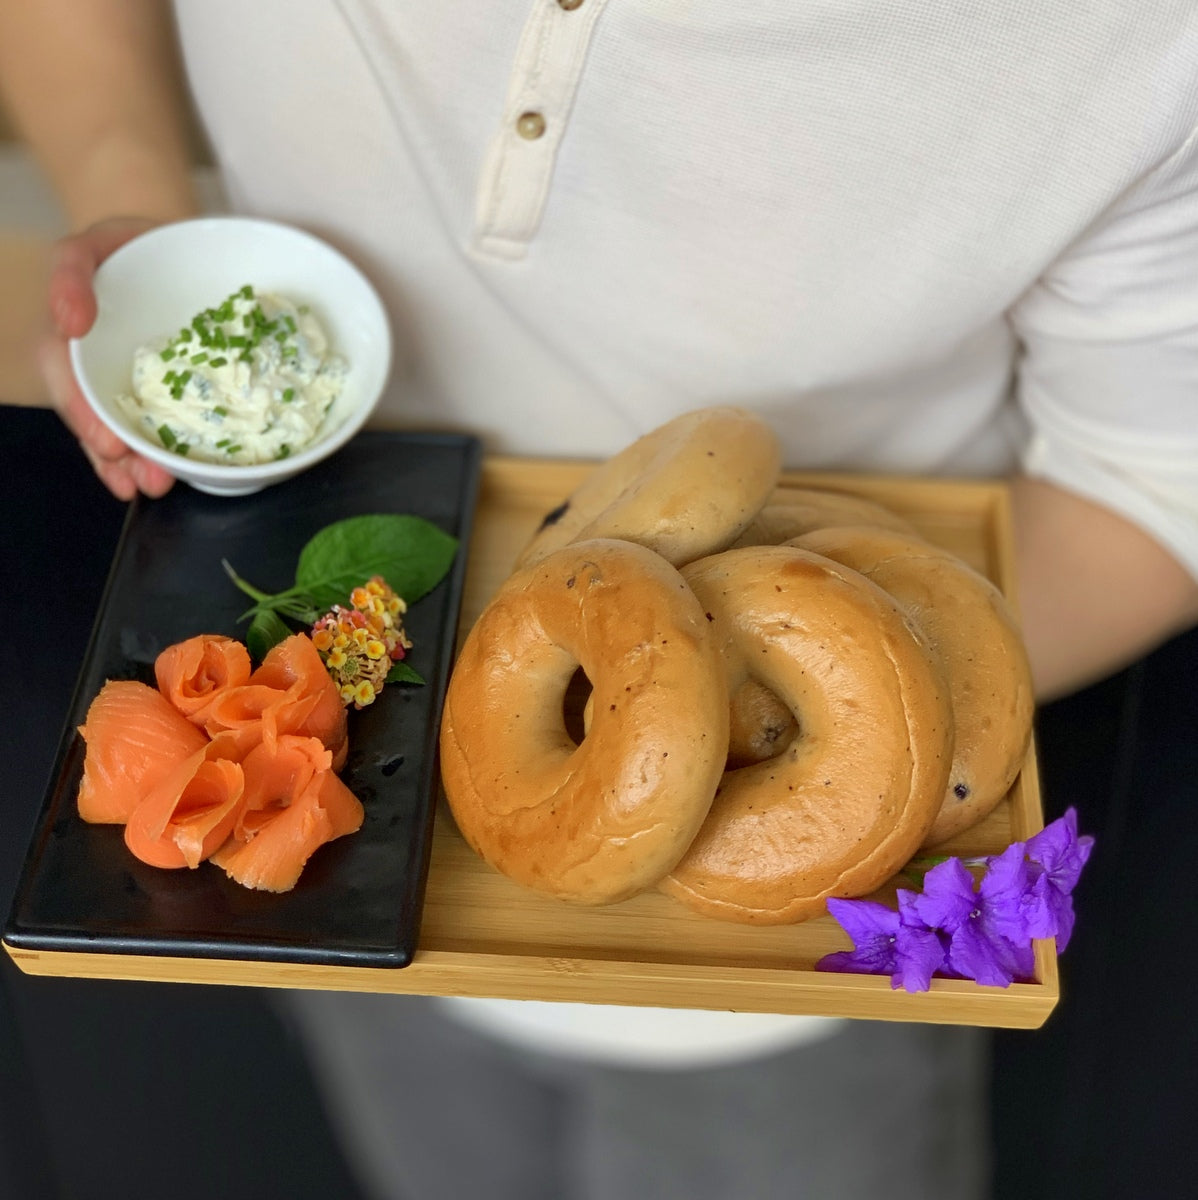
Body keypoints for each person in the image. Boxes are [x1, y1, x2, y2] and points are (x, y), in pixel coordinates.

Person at [3, 2, 1197, 1197]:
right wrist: (142, 221)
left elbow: (1152, 486)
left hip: (794, 983)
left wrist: (853, 739)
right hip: (367, 837)